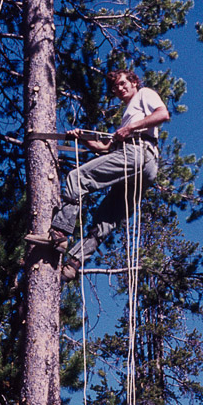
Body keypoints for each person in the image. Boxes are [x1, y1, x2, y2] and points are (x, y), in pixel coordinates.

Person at [25, 69, 170, 280]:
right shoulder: (128, 115)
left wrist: (130, 128)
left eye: (122, 84)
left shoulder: (144, 94)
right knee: (107, 218)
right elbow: (103, 148)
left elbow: (162, 114)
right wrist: (82, 138)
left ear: (134, 82)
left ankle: (59, 233)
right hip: (144, 165)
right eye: (115, 88)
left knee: (77, 178)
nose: (119, 89)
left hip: (139, 152)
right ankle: (74, 263)